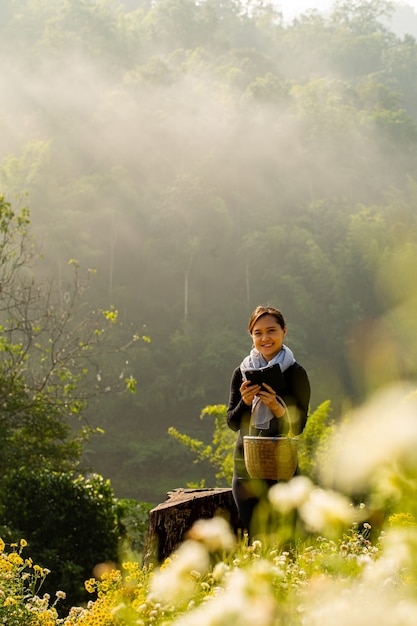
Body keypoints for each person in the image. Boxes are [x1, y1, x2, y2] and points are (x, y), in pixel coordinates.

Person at [227, 305, 310, 538]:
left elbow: (299, 427)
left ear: (283, 331)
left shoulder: (296, 373)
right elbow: (233, 422)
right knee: (256, 540)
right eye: (258, 332)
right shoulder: (242, 372)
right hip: (246, 469)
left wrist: (277, 407)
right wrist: (245, 402)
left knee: (287, 541)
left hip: (283, 468)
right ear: (251, 336)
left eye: (271, 330)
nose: (265, 338)